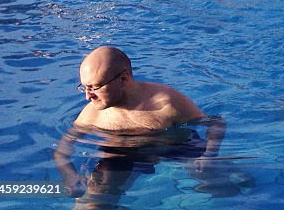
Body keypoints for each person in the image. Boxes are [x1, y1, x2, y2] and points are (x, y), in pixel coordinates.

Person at [54, 46, 224, 198]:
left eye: (95, 87)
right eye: (84, 87)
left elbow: (215, 123)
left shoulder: (167, 103)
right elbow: (62, 151)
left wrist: (209, 155)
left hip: (176, 147)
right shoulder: (91, 115)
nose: (88, 96)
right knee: (95, 198)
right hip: (122, 155)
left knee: (217, 185)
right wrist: (70, 175)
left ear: (124, 79)